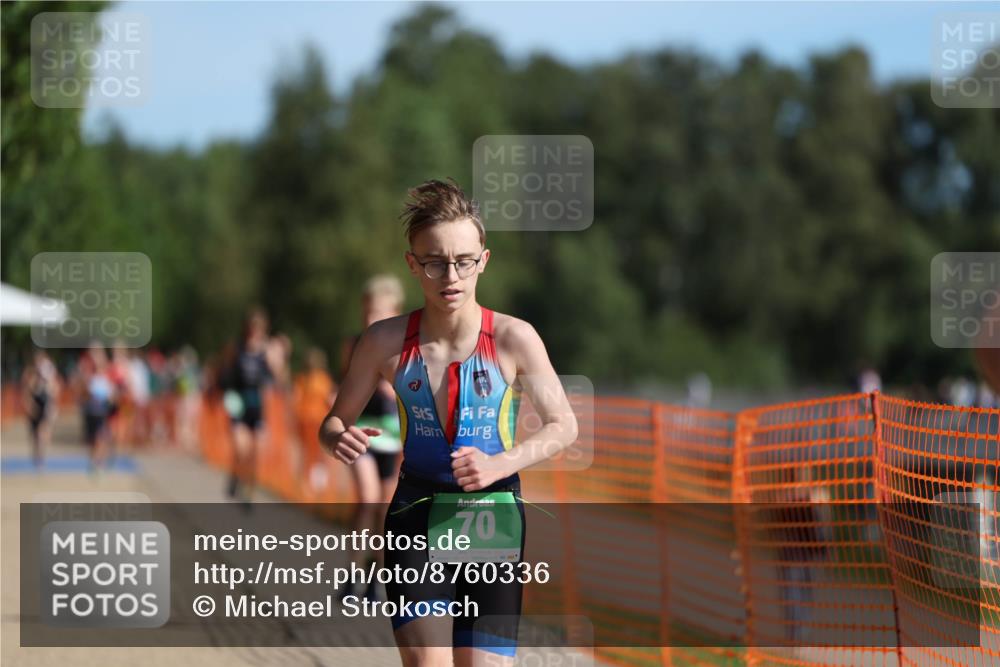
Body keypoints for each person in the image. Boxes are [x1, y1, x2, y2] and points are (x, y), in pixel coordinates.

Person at [320, 179, 578, 666]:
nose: (450, 276)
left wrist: (501, 463)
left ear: (484, 259)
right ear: (412, 264)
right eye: (435, 262)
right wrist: (338, 437)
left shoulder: (514, 338)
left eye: (463, 261)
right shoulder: (383, 342)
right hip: (415, 516)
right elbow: (333, 421)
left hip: (492, 519)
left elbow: (563, 425)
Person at [221, 307, 275, 505]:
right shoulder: (236, 348)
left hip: (257, 406)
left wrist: (276, 358)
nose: (255, 332)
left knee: (255, 453)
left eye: (259, 328)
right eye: (252, 327)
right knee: (241, 448)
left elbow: (275, 379)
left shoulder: (265, 352)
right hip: (238, 403)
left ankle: (249, 492)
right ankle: (236, 476)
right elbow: (224, 374)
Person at [293, 347, 337, 496]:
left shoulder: (320, 379)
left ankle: (315, 486)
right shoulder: (306, 379)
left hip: (316, 421)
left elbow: (329, 399)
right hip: (308, 421)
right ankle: (307, 485)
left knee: (316, 455)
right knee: (310, 454)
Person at [21, 349, 61, 467]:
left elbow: (55, 389)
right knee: (34, 436)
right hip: (34, 407)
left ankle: (41, 457)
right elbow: (26, 392)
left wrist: (53, 405)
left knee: (42, 432)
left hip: (44, 404)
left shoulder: (48, 375)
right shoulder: (29, 374)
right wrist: (29, 406)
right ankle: (37, 457)